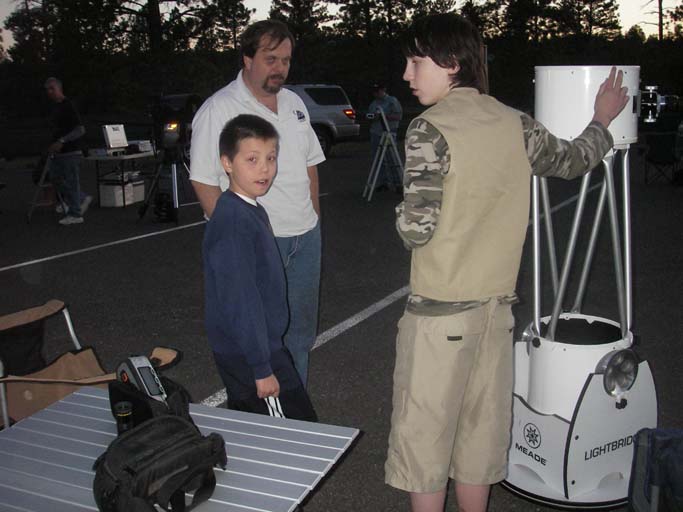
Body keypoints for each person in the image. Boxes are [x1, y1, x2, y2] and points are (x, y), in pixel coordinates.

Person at [384, 14, 630, 512]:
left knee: (425, 443)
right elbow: (573, 160)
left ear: (451, 63)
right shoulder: (513, 122)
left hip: (440, 317)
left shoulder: (427, 129)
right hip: (496, 315)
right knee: (480, 440)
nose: (407, 75)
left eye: (415, 62)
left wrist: (402, 208)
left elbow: (415, 229)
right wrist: (602, 118)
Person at [190, 20, 324, 387]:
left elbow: (310, 163)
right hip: (261, 241)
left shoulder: (295, 104)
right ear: (247, 58)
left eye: (285, 59)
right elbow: (202, 179)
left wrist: (314, 218)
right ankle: (260, 420)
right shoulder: (218, 110)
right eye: (270, 59)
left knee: (299, 334)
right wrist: (237, 235)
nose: (279, 67)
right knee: (259, 340)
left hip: (305, 235)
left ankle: (293, 409)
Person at [203, 114, 317, 421]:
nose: (264, 168)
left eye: (271, 158)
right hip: (253, 353)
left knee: (255, 431)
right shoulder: (234, 222)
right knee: (296, 434)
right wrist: (262, 368)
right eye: (251, 159)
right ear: (227, 163)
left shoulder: (248, 208)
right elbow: (240, 300)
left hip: (255, 347)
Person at [44, 77, 92, 225]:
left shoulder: (68, 106)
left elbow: (80, 129)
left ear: (59, 88)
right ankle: (79, 198)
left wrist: (62, 141)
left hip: (70, 151)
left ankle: (76, 214)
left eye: (52, 88)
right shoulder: (55, 107)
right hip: (58, 152)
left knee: (71, 181)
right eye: (47, 89)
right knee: (55, 178)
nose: (49, 92)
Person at [368, 83, 403, 191]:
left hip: (389, 132)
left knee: (392, 158)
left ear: (383, 90)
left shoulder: (392, 101)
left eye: (378, 91)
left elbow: (398, 116)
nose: (376, 93)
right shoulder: (374, 103)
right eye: (375, 92)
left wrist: (384, 116)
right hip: (376, 132)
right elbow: (370, 115)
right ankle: (383, 183)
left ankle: (398, 183)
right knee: (378, 159)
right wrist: (373, 117)